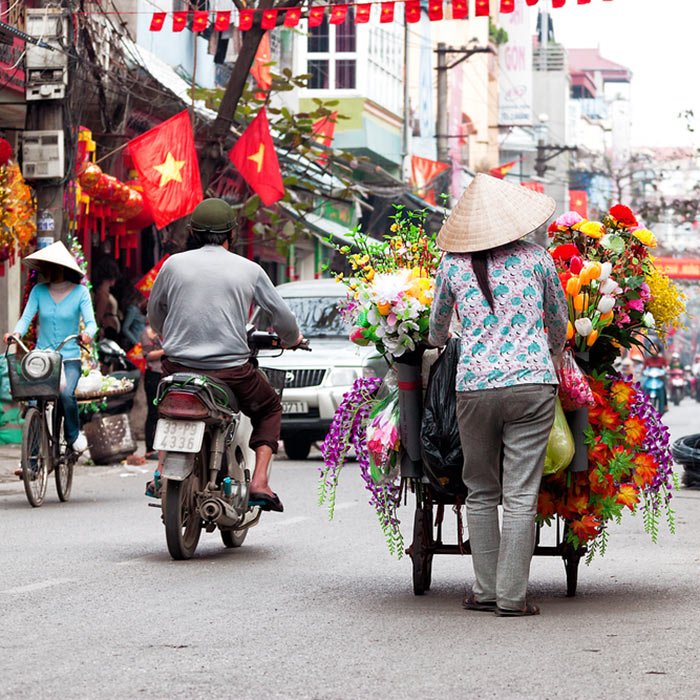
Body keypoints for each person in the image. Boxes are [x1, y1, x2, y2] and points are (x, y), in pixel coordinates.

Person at [428, 174, 568, 617]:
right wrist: (551, 352)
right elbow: (557, 321)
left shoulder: (451, 264)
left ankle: (485, 591)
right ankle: (512, 598)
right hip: (532, 384)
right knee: (522, 494)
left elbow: (436, 330)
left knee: (481, 490)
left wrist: (453, 336)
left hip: (473, 387)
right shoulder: (538, 259)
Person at [147, 198, 304, 512]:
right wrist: (293, 339)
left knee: (167, 407)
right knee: (270, 407)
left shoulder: (172, 264)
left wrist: (174, 336)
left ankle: (162, 471)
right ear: (232, 233)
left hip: (177, 366)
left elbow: (155, 314)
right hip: (230, 372)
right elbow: (283, 319)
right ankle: (259, 481)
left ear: (192, 231)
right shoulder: (249, 269)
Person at [3, 241, 97, 452]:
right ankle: (33, 458)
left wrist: (87, 335)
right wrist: (15, 334)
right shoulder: (39, 290)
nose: (48, 269)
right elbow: (26, 317)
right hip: (42, 360)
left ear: (63, 267)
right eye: (46, 265)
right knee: (33, 401)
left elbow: (91, 323)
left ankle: (72, 436)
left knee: (66, 395)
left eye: (53, 265)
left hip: (69, 358)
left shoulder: (80, 292)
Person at [140, 323, 163, 460]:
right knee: (153, 411)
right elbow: (148, 355)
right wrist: (166, 351)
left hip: (164, 374)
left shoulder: (166, 329)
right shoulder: (148, 332)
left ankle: (159, 446)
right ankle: (149, 448)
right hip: (153, 374)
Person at [93, 259, 121, 341]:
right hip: (108, 329)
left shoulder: (104, 292)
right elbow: (99, 316)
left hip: (110, 327)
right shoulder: (103, 294)